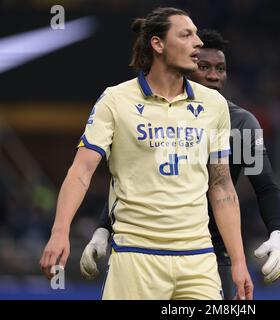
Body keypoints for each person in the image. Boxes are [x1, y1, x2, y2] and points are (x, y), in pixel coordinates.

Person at [40, 7, 253, 300]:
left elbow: (221, 185)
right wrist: (60, 230)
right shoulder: (116, 100)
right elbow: (81, 171)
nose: (198, 43)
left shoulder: (213, 104)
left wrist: (239, 261)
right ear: (158, 44)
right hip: (135, 257)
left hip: (198, 260)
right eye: (186, 34)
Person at [80, 29, 280, 299]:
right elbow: (133, 178)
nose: (214, 75)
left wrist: (278, 233)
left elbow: (265, 186)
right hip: (148, 250)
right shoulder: (156, 114)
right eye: (204, 67)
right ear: (186, 67)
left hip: (213, 253)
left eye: (221, 68)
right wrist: (102, 229)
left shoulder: (240, 125)